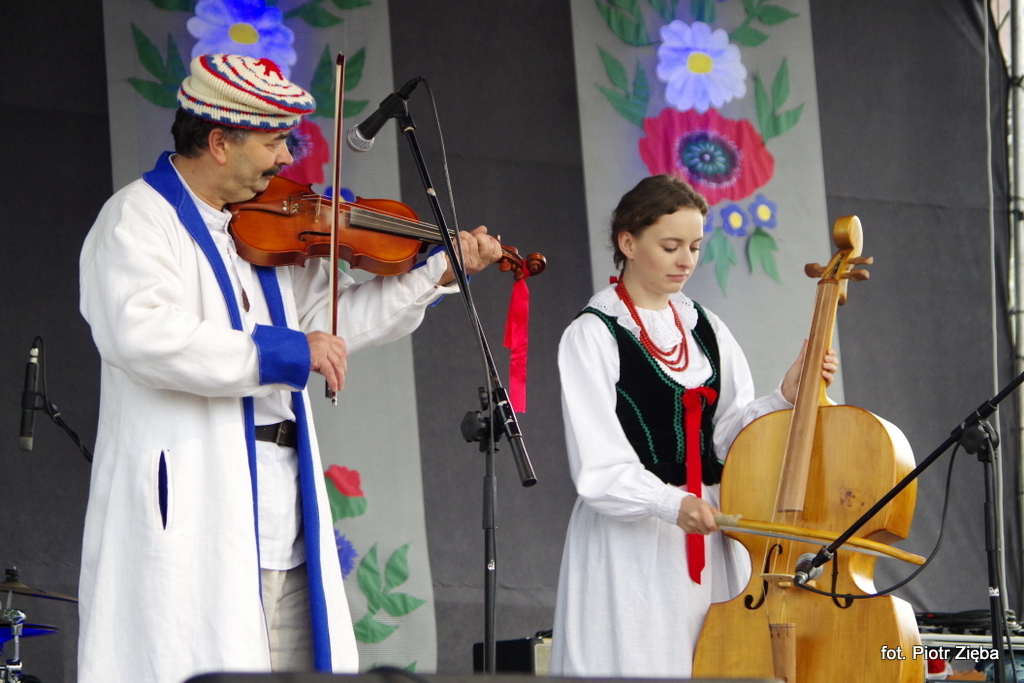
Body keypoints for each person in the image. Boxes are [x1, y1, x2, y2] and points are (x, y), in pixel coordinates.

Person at [77, 54, 501, 683]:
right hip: (197, 505)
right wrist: (285, 351)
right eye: (274, 142)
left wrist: (437, 273)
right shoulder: (136, 218)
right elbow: (140, 335)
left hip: (285, 512)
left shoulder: (266, 226)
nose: (286, 159)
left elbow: (335, 326)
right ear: (220, 142)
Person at [548, 175, 837, 678]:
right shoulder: (592, 334)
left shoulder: (706, 328)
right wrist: (671, 503)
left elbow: (728, 439)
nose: (686, 260)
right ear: (627, 243)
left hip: (711, 533)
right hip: (633, 543)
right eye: (671, 246)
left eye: (696, 247)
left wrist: (784, 397)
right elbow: (598, 465)